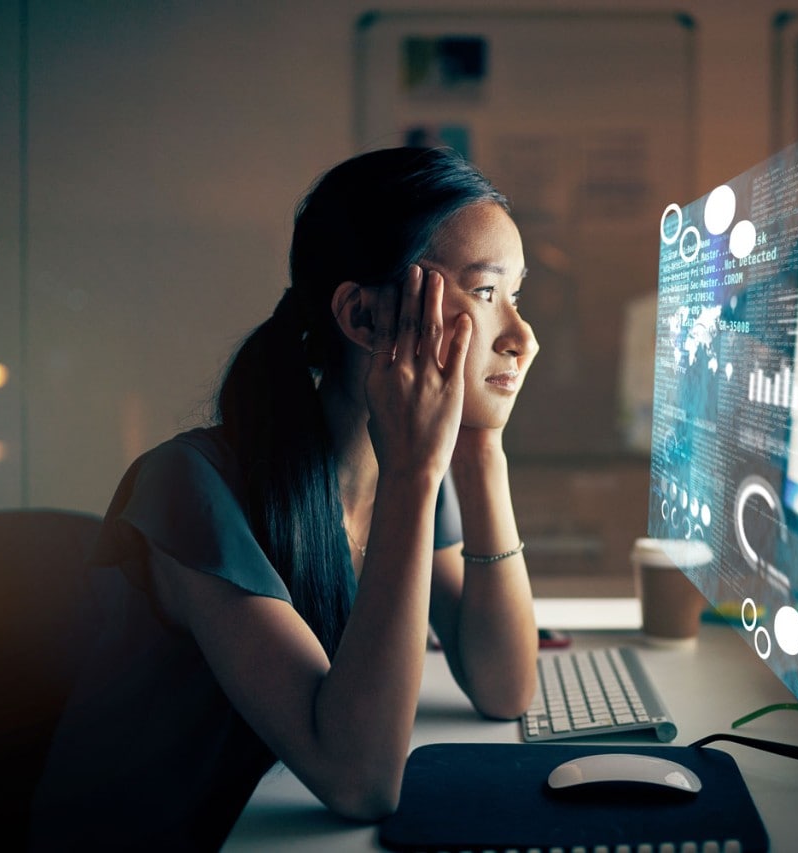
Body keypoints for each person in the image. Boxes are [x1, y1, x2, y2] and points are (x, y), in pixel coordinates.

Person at [28, 147, 539, 849]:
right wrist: (417, 478)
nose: (521, 336)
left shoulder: (413, 479)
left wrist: (482, 446)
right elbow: (359, 779)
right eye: (486, 294)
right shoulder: (191, 487)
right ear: (362, 317)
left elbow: (504, 684)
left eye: (517, 296)